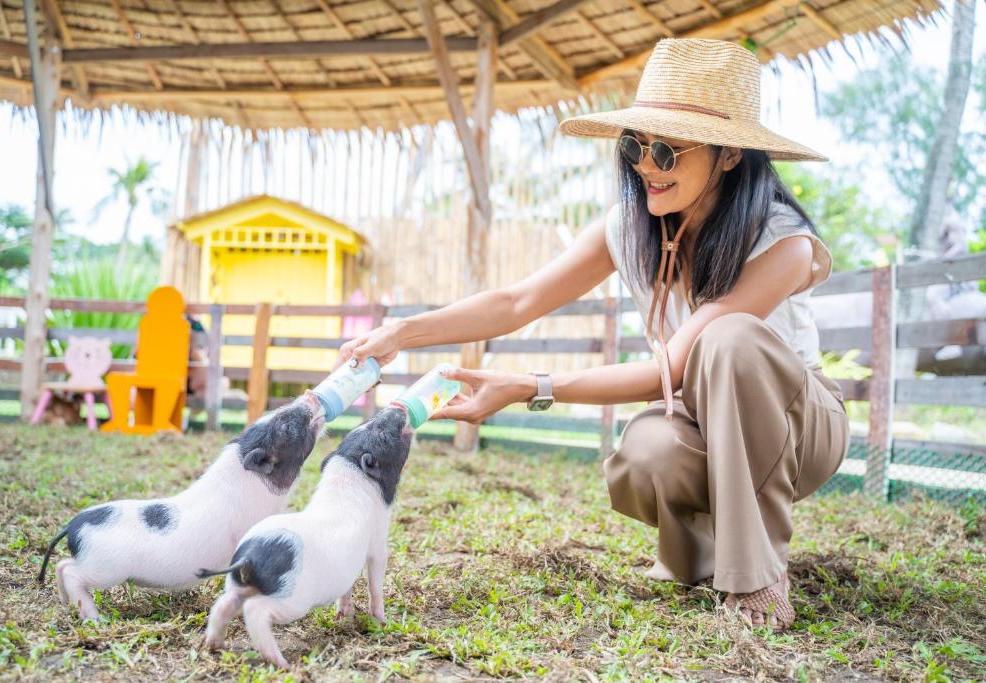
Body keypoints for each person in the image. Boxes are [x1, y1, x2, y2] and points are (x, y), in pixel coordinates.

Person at [337, 38, 849, 631]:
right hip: (709, 422)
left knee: (728, 338)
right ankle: (706, 558)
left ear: (730, 153)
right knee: (645, 453)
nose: (645, 166)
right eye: (635, 145)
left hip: (800, 427)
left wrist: (528, 386)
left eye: (666, 149)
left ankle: (759, 579)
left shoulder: (783, 242)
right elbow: (518, 300)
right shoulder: (631, 229)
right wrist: (402, 333)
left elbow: (681, 365)